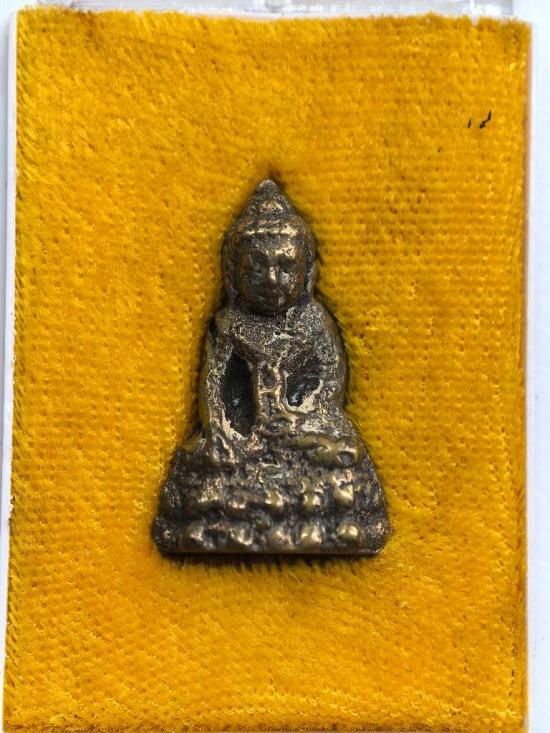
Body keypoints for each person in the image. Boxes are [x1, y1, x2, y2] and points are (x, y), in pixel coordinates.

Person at [153, 180, 390, 554]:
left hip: (303, 428)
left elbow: (330, 379)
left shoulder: (314, 322)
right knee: (202, 458)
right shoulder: (229, 324)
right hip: (244, 434)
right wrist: (220, 432)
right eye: (257, 268)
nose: (272, 281)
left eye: (285, 267)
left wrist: (300, 417)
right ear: (234, 274)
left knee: (343, 449)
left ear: (306, 272)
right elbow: (213, 387)